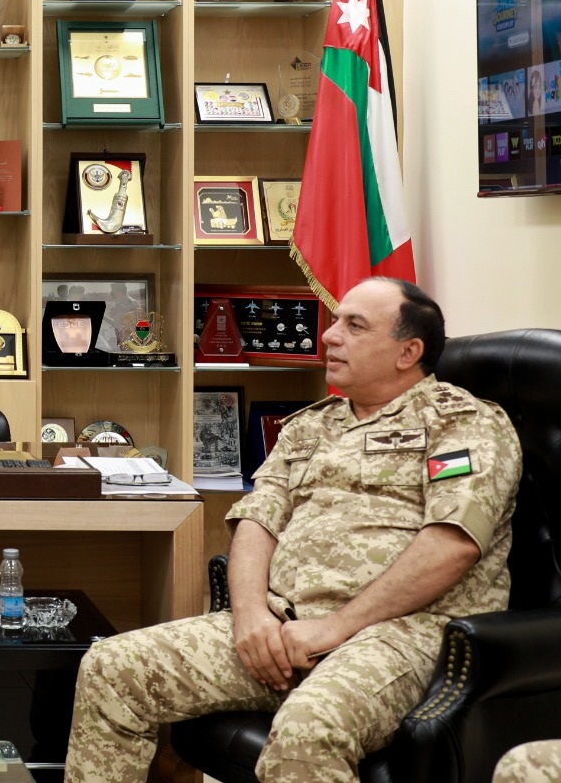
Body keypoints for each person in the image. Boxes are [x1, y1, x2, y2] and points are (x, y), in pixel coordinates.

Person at [64, 277, 522, 783]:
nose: (329, 335)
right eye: (336, 320)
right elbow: (257, 520)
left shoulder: (463, 423)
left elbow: (452, 544)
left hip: (401, 636)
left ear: (407, 352)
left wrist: (334, 628)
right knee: (112, 668)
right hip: (285, 627)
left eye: (355, 326)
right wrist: (250, 617)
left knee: (308, 728)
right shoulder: (309, 426)